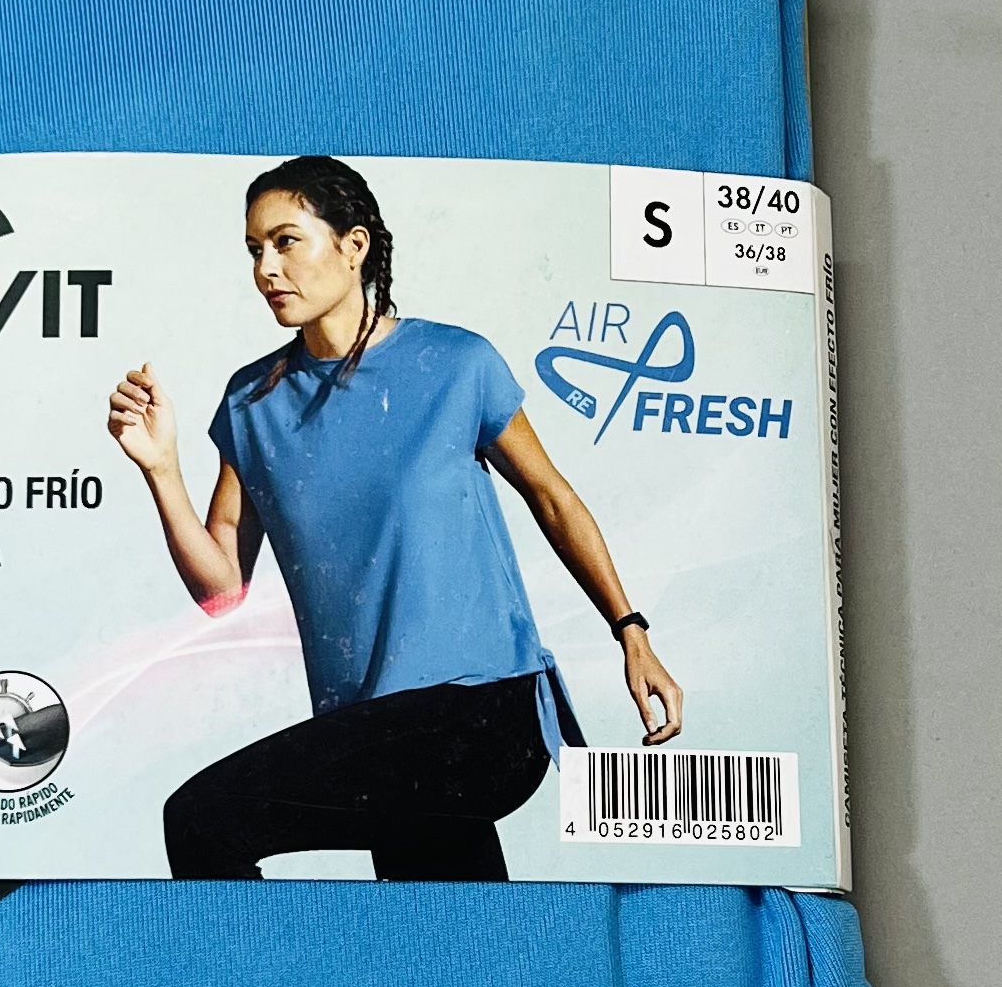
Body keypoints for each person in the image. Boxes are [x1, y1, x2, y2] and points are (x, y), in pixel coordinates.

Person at [106, 155, 683, 880]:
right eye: (254, 250)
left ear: (353, 246)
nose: (266, 269)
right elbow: (223, 588)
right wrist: (161, 470)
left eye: (286, 242)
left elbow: (553, 498)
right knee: (444, 925)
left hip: (481, 711)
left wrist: (631, 632)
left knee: (202, 818)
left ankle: (268, 967)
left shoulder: (455, 363)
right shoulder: (253, 402)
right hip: (371, 724)